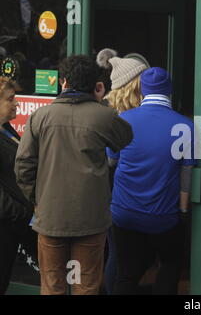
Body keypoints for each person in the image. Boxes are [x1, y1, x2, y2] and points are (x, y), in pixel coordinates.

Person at [14, 55, 133, 295]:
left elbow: (23, 165)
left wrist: (36, 200)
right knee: (86, 287)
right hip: (90, 219)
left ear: (64, 82)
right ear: (96, 86)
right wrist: (101, 103)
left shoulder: (41, 117)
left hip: (50, 217)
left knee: (52, 286)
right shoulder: (103, 116)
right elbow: (125, 137)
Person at [108, 67, 196, 295]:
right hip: (163, 216)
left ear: (143, 91)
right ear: (169, 91)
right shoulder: (185, 126)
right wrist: (183, 211)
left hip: (124, 213)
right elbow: (187, 173)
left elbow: (111, 161)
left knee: (126, 274)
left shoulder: (123, 120)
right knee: (170, 266)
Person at [96, 49, 150, 294]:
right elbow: (110, 161)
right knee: (118, 258)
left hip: (123, 199)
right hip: (113, 199)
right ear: (133, 85)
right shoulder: (111, 116)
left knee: (126, 258)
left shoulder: (122, 113)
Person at [0, 77, 33, 294]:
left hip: (11, 227)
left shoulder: (7, 129)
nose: (16, 104)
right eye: (10, 99)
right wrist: (25, 213)